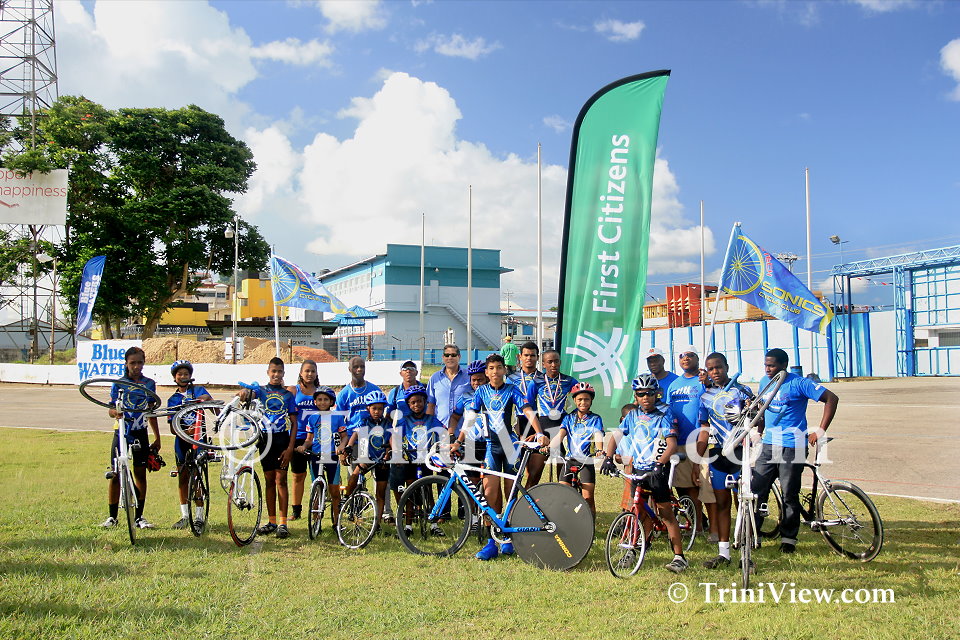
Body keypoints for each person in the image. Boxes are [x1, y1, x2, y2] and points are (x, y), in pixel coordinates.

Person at [752, 348, 839, 554]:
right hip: (769, 444)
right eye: (765, 365)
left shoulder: (799, 383)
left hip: (793, 446)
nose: (768, 369)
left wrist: (820, 430)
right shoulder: (765, 382)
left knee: (789, 494)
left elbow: (832, 398)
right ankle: (754, 534)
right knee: (757, 491)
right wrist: (759, 431)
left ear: (784, 365)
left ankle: (788, 539)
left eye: (772, 366)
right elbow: (763, 409)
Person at [601, 373, 687, 573]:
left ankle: (679, 557)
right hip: (638, 469)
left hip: (657, 470)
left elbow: (672, 444)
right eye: (641, 394)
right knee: (638, 511)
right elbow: (617, 435)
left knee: (666, 514)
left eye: (649, 393)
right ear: (635, 396)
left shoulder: (664, 414)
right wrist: (608, 457)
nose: (645, 397)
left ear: (656, 394)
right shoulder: (632, 416)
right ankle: (635, 548)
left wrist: (660, 463)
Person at [469, 353, 547, 561]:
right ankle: (491, 542)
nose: (495, 371)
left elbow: (527, 410)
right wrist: (458, 441)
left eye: (499, 367)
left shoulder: (513, 390)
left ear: (504, 370)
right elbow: (470, 417)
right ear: (486, 372)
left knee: (510, 493)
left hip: (510, 446)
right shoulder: (481, 391)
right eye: (491, 368)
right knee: (489, 493)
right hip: (491, 446)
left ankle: (508, 538)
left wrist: (539, 433)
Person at [696, 352, 754, 568]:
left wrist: (751, 410)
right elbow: (704, 429)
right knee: (722, 504)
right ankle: (724, 553)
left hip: (741, 452)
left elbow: (758, 421)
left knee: (744, 504)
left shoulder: (742, 390)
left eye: (718, 367)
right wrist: (697, 457)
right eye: (711, 369)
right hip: (719, 454)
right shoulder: (705, 397)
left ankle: (746, 553)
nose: (715, 372)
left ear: (727, 367)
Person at [101, 346, 162, 530]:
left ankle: (139, 517)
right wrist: (116, 413)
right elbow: (111, 409)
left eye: (140, 363)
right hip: (121, 432)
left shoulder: (149, 384)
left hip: (140, 432)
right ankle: (112, 517)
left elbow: (151, 412)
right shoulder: (118, 383)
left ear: (144, 363)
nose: (136, 366)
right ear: (126, 364)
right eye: (132, 363)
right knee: (115, 473)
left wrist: (157, 437)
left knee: (140, 473)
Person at [248, 357, 298, 539]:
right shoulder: (260, 391)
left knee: (281, 480)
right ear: (268, 372)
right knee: (269, 480)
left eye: (279, 372)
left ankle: (283, 523)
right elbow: (247, 395)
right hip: (265, 440)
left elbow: (294, 422)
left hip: (281, 440)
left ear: (283, 373)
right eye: (273, 371)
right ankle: (271, 521)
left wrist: (290, 448)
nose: (276, 374)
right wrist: (245, 391)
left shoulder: (288, 395)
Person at [663, 346, 709, 533]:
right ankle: (695, 522)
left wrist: (708, 381)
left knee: (696, 487)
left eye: (690, 355)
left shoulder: (703, 380)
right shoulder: (674, 384)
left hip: (698, 440)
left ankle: (700, 527)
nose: (685, 358)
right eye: (682, 356)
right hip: (678, 440)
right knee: (681, 487)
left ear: (697, 359)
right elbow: (667, 410)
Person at [390, 384, 446, 536]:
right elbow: (395, 436)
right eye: (413, 402)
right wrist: (397, 452)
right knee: (410, 492)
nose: (417, 405)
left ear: (425, 402)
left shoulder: (431, 419)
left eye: (420, 401)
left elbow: (444, 432)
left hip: (426, 460)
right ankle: (408, 526)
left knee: (428, 491)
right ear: (408, 405)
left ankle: (434, 525)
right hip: (410, 460)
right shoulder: (404, 420)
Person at [166, 360, 212, 529]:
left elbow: (212, 405)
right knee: (183, 477)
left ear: (191, 376)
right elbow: (172, 428)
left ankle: (199, 517)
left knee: (197, 477)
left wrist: (204, 399)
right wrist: (186, 432)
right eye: (180, 374)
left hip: (199, 441)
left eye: (186, 374)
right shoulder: (173, 399)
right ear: (174, 377)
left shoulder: (198, 390)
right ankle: (185, 515)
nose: (183, 376)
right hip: (182, 441)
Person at [551, 382, 603, 515]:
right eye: (580, 399)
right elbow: (560, 435)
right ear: (574, 400)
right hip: (569, 460)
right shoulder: (568, 418)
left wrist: (599, 449)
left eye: (586, 399)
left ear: (591, 400)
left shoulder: (595, 419)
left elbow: (598, 434)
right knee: (563, 494)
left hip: (586, 461)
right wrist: (548, 447)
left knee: (588, 498)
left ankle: (590, 523)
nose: (583, 402)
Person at [530, 349, 578, 486]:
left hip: (562, 426)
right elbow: (529, 407)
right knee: (534, 474)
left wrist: (572, 416)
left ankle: (564, 494)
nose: (553, 365)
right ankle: (528, 498)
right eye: (549, 362)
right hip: (543, 425)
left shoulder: (569, 380)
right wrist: (536, 431)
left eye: (556, 361)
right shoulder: (536, 381)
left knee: (563, 473)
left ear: (560, 362)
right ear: (543, 364)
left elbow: (582, 397)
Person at [300, 386, 346, 528]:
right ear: (315, 402)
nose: (322, 402)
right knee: (316, 489)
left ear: (331, 402)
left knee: (334, 491)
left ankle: (337, 522)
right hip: (316, 456)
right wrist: (304, 446)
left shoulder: (337, 417)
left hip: (332, 456)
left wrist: (341, 446)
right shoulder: (312, 418)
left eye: (326, 399)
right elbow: (309, 439)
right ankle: (316, 521)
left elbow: (344, 436)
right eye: (319, 399)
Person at [343, 390, 392, 520]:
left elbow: (389, 440)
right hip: (367, 457)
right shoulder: (364, 422)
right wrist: (349, 446)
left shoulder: (387, 424)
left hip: (382, 459)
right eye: (374, 408)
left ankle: (378, 522)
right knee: (354, 475)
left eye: (380, 409)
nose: (377, 411)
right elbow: (356, 434)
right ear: (368, 408)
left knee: (380, 493)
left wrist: (388, 454)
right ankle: (346, 498)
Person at [507, 341, 545, 480]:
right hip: (519, 423)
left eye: (532, 355)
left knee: (534, 473)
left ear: (537, 357)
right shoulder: (511, 379)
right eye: (526, 355)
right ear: (520, 357)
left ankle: (530, 494)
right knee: (516, 471)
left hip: (538, 422)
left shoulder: (544, 379)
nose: (529, 358)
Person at [448, 360, 489, 486]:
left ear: (487, 378)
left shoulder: (492, 394)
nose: (476, 383)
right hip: (471, 444)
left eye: (480, 380)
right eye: (473, 380)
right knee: (470, 484)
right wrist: (451, 434)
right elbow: (454, 417)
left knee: (489, 484)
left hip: (489, 444)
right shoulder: (465, 396)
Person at [288, 360, 319, 521]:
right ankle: (296, 511)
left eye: (313, 371)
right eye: (307, 371)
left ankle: (316, 511)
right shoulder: (294, 390)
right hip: (298, 438)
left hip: (316, 439)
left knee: (317, 476)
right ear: (301, 373)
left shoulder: (320, 392)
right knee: (298, 476)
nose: (310, 374)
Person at [426, 344, 470, 428]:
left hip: (463, 429)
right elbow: (431, 405)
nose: (450, 358)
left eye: (453, 355)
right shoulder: (435, 378)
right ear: (443, 357)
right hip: (440, 429)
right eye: (447, 355)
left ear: (459, 357)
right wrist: (428, 427)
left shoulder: (468, 377)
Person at [335, 356, 382, 428]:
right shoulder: (343, 394)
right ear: (349, 369)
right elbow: (339, 419)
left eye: (362, 367)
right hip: (351, 432)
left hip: (372, 432)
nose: (359, 369)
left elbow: (382, 414)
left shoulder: (375, 390)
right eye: (355, 367)